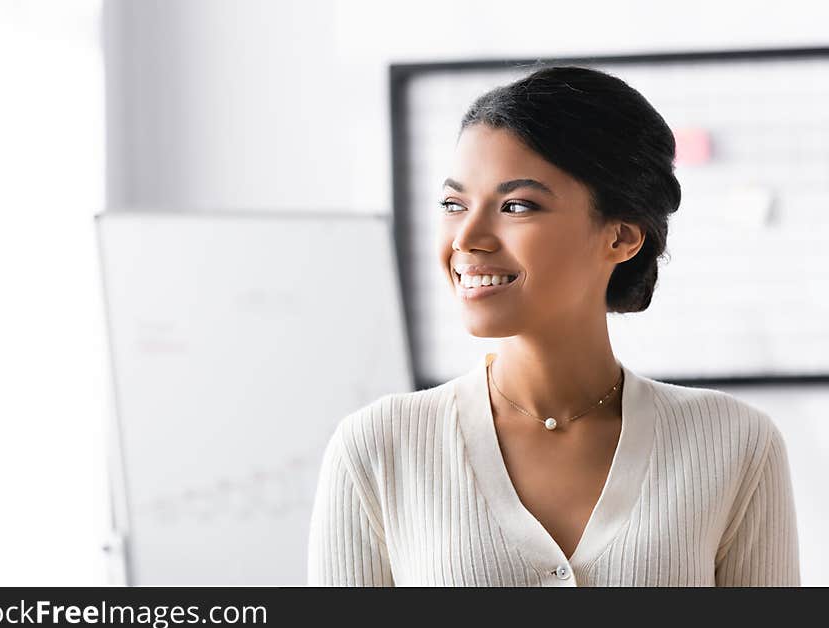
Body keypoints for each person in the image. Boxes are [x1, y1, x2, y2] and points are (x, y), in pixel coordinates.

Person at [307, 64, 801, 586]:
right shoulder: (378, 446)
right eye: (454, 204)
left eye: (516, 205)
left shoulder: (734, 443)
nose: (467, 237)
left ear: (621, 238)